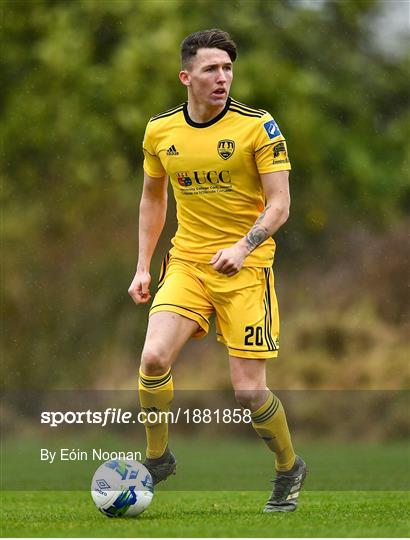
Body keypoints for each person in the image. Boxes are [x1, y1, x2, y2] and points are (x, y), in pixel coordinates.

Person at [128, 28, 307, 513]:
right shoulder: (160, 130)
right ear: (186, 76)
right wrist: (143, 266)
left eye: (228, 68)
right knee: (152, 360)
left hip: (246, 270)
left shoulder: (258, 126)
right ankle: (158, 457)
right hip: (186, 263)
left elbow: (280, 204)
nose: (222, 77)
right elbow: (152, 196)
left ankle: (289, 468)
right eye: (211, 69)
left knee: (249, 391)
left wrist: (244, 246)